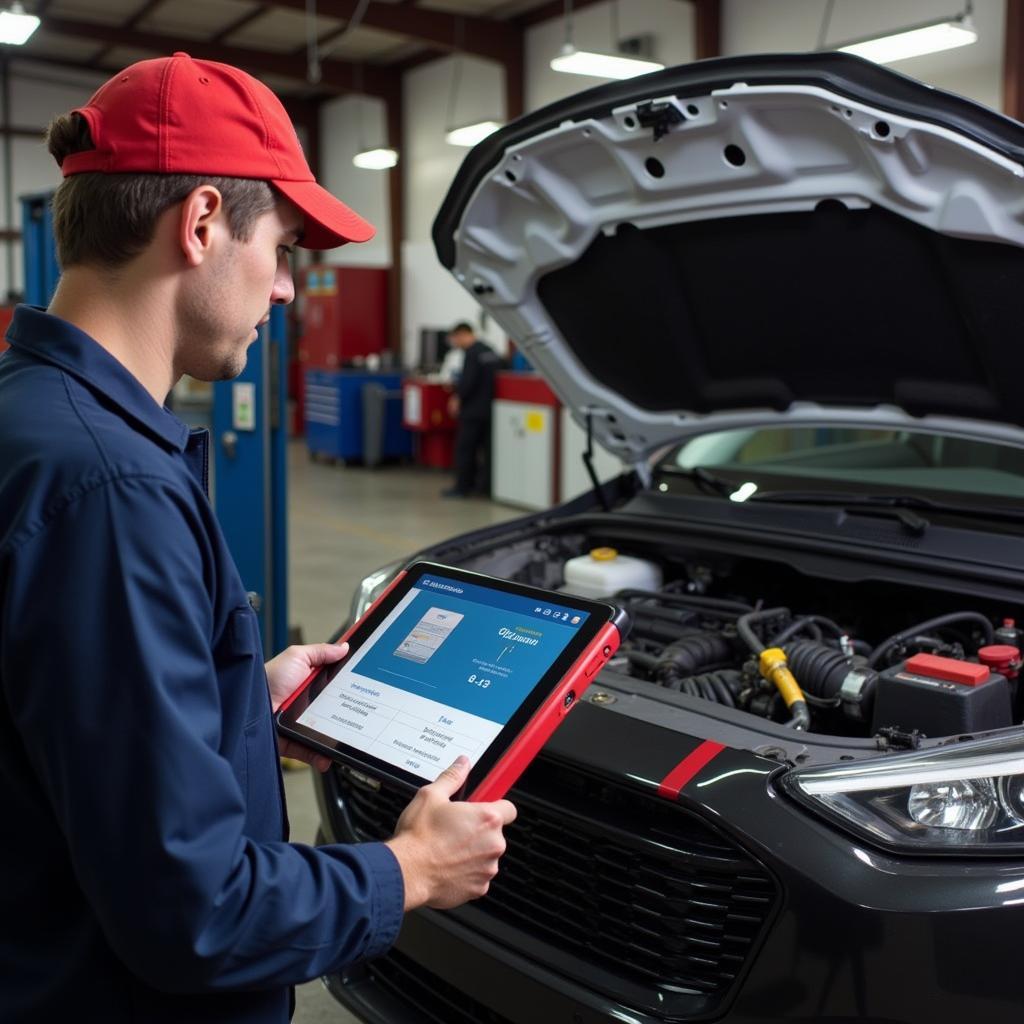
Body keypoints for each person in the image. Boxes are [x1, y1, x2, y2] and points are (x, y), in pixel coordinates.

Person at [0, 53, 515, 1024]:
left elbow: (63, 725)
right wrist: (406, 869)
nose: (285, 289)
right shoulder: (112, 488)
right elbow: (192, 911)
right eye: (281, 249)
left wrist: (235, 696)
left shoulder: (32, 418)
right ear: (199, 224)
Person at [443, 321, 502, 498]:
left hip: (472, 410)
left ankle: (462, 487)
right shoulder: (490, 350)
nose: (455, 343)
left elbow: (468, 381)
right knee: (488, 451)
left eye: (455, 338)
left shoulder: (471, 353)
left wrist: (457, 398)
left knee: (465, 449)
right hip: (490, 409)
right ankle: (484, 487)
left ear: (462, 334)